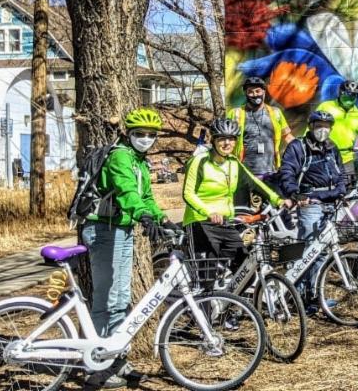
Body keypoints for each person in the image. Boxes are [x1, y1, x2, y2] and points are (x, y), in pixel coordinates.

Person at [79, 107, 179, 388]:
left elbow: (145, 197)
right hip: (103, 229)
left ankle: (116, 358)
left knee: (121, 298)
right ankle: (96, 364)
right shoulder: (120, 157)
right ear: (128, 133)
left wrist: (161, 218)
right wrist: (142, 214)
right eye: (140, 133)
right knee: (107, 299)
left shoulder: (140, 162)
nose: (146, 139)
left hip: (121, 229)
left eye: (151, 135)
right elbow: (127, 192)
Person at [181, 118, 287, 273]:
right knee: (207, 276)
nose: (227, 143)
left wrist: (277, 200)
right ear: (213, 140)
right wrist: (209, 213)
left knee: (244, 268)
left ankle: (227, 287)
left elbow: (255, 183)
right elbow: (188, 193)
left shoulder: (233, 162)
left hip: (224, 222)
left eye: (231, 139)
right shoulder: (200, 161)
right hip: (200, 222)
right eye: (222, 139)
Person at [275, 110, 347, 303]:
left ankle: (314, 293)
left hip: (331, 203)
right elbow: (287, 171)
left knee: (322, 251)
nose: (323, 130)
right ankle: (298, 295)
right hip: (310, 204)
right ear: (311, 126)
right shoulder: (298, 147)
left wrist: (342, 189)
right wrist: (294, 192)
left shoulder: (332, 147)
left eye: (326, 126)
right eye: (319, 126)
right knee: (308, 250)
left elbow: (341, 173)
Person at [227, 75, 293, 187]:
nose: (255, 95)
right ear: (245, 93)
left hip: (271, 171)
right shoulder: (235, 113)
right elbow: (225, 139)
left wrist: (302, 149)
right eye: (250, 92)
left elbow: (287, 136)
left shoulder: (276, 113)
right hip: (243, 171)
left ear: (264, 92)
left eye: (258, 91)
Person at [313, 80, 358, 171]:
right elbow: (311, 127)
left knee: (348, 180)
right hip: (324, 156)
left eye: (353, 95)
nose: (349, 97)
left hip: (346, 160)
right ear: (340, 93)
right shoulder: (326, 106)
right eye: (347, 94)